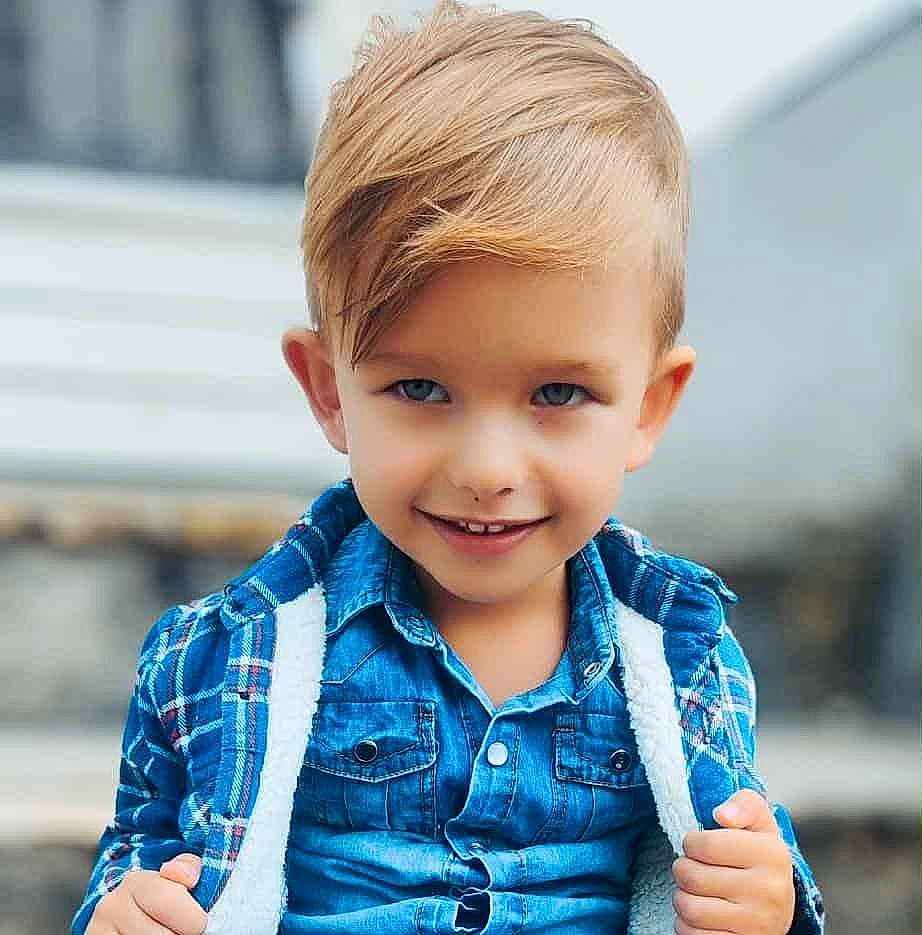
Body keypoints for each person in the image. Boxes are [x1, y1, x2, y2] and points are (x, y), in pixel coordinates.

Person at [73, 3, 825, 933]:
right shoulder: (224, 657)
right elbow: (137, 858)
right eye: (422, 388)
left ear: (649, 408)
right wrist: (122, 913)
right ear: (329, 391)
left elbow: (740, 858)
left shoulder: (677, 658)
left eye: (557, 394)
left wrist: (767, 901)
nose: (487, 467)